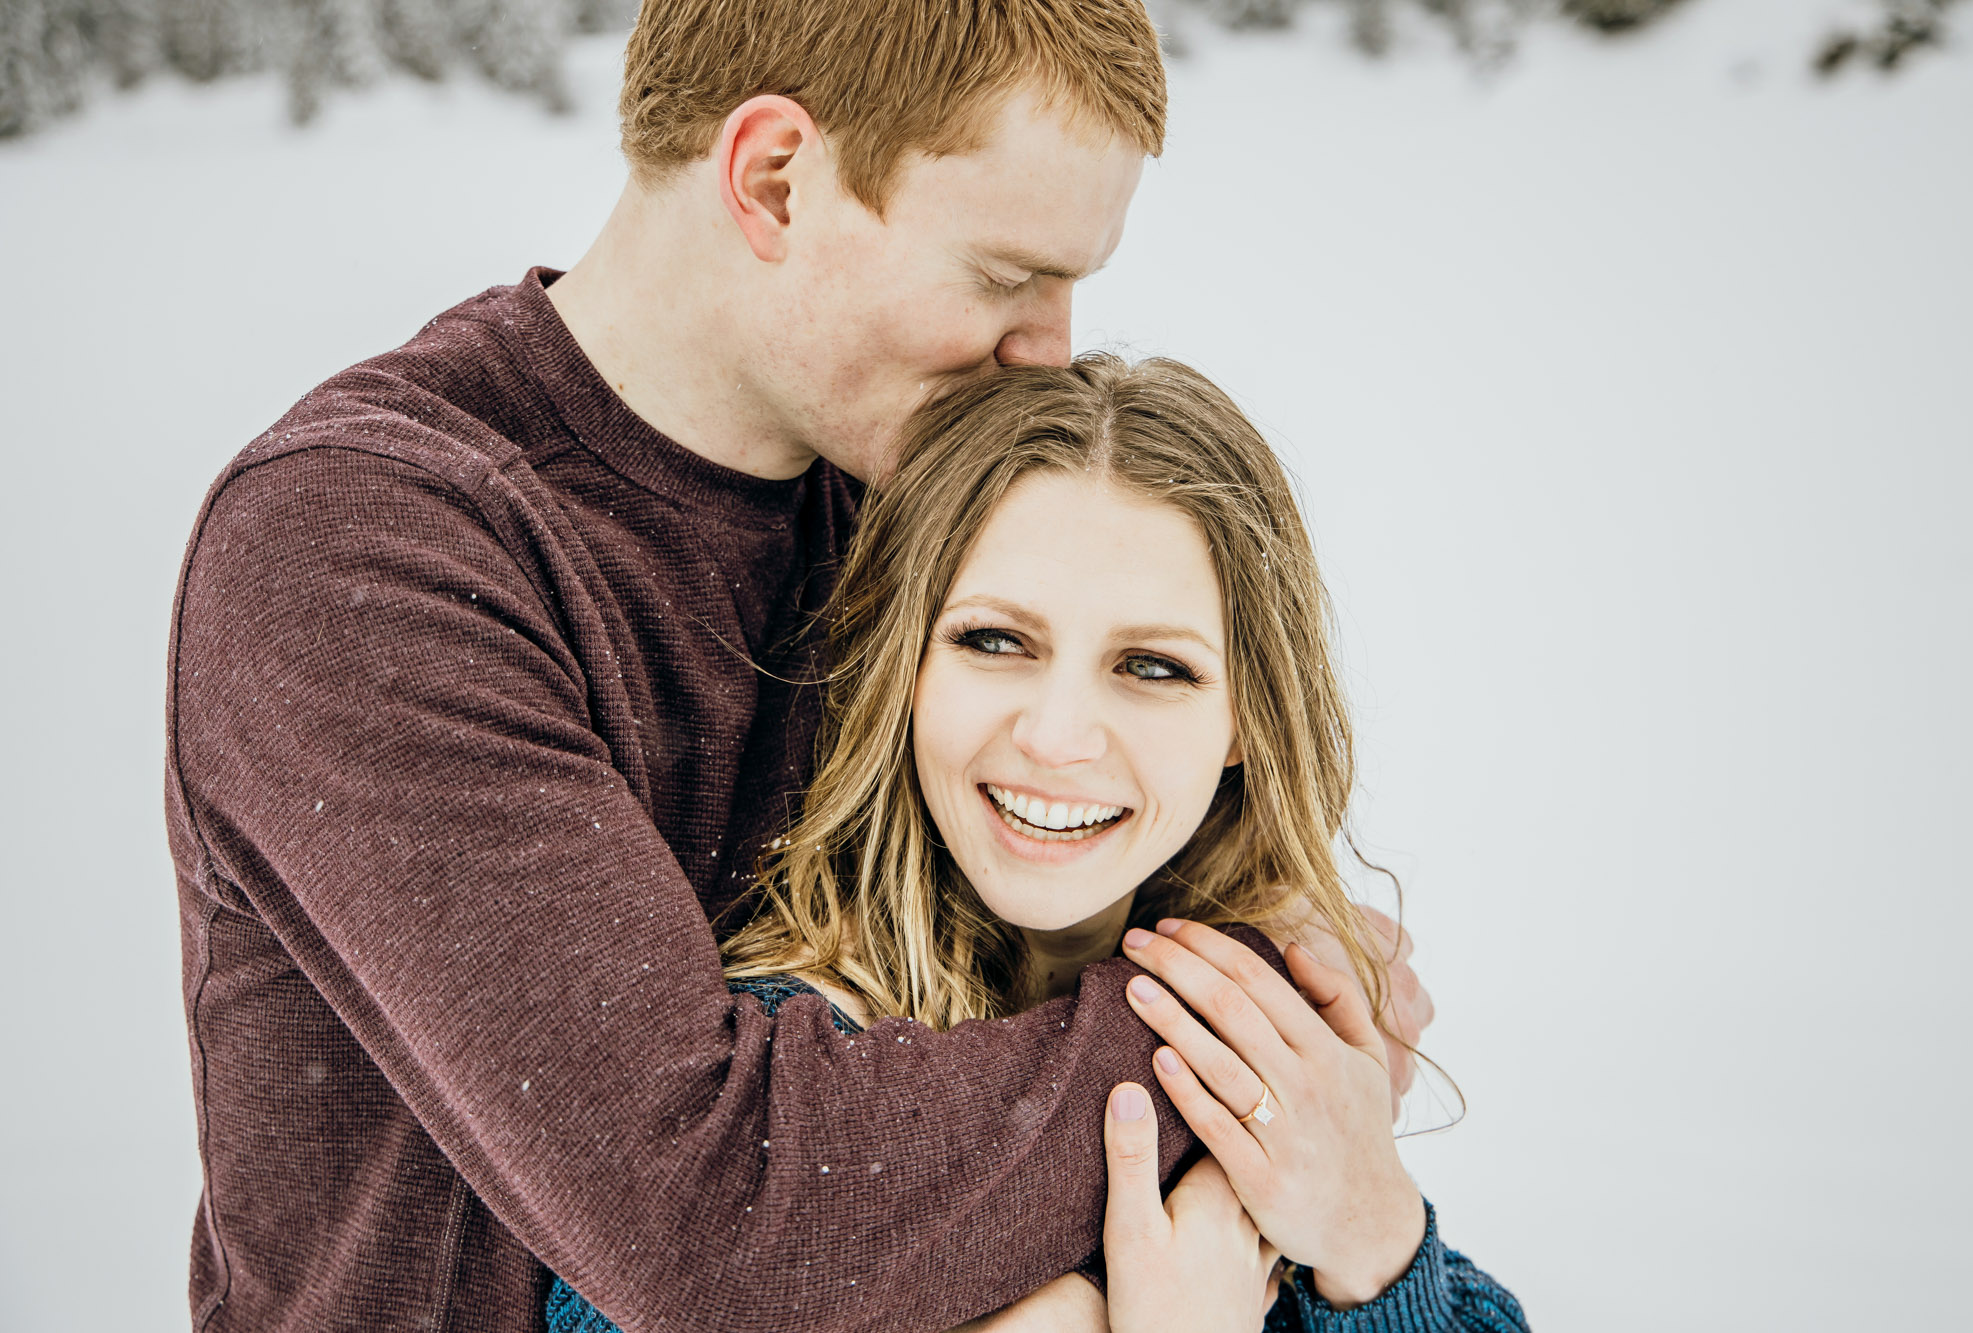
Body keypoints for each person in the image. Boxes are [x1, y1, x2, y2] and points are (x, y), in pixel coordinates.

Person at [166, 3, 1433, 1330]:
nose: (1051, 348)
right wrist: (1257, 1041)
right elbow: (710, 1223)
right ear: (773, 177)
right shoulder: (360, 542)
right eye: (1007, 277)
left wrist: (1287, 994)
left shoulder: (911, 506)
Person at [544, 355, 1525, 1332]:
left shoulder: (1271, 1039)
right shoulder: (767, 1074)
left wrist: (1374, 1236)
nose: (1057, 737)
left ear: (1247, 724)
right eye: (994, 641)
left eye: (1150, 665)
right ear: (904, 666)